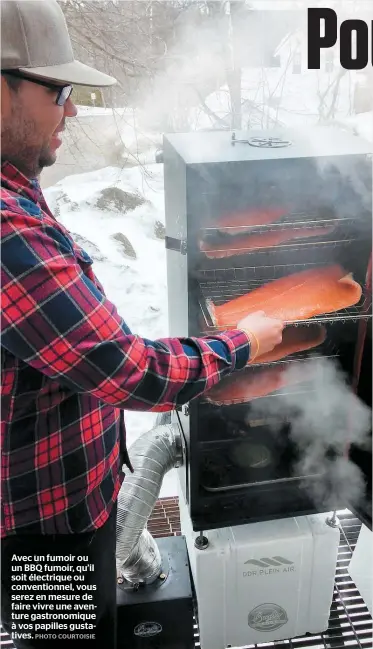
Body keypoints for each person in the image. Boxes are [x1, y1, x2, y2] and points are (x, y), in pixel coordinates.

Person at [0, 1, 284, 647]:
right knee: (68, 640)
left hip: (63, 503)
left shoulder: (16, 192)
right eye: (59, 91)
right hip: (45, 529)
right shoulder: (5, 231)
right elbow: (128, 369)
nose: (71, 110)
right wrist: (244, 340)